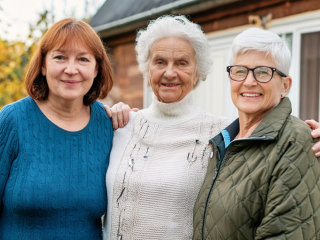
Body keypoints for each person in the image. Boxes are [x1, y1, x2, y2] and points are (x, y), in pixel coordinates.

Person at [103, 15, 232, 240]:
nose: (169, 72)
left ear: (196, 73)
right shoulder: (120, 125)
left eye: (182, 63)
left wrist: (312, 137)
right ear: (147, 69)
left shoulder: (221, 133)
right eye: (160, 62)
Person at [193, 28, 320, 239]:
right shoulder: (222, 141)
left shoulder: (295, 141)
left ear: (285, 85)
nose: (249, 82)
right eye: (240, 71)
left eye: (263, 72)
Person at [0, 18, 114, 239]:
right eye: (60, 57)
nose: (71, 70)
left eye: (83, 59)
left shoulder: (110, 126)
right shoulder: (12, 120)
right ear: (43, 65)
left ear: (96, 68)